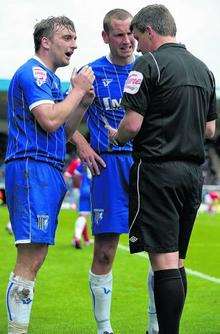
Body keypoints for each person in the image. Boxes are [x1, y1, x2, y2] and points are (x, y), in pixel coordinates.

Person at [109, 4, 217, 333]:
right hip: (192, 176)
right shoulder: (204, 70)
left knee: (164, 263)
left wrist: (117, 137)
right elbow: (211, 131)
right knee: (178, 261)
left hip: (157, 171)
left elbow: (132, 123)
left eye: (138, 36)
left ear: (150, 32)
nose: (136, 43)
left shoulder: (148, 64)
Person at [5, 16, 94, 334]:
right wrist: (78, 89)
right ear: (46, 41)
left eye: (75, 38)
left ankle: (19, 327)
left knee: (36, 256)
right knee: (29, 258)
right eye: (67, 37)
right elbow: (50, 120)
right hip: (32, 167)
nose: (74, 44)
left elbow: (65, 130)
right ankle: (17, 330)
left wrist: (81, 104)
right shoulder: (33, 72)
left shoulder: (52, 82)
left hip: (48, 167)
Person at [71, 9, 158, 334]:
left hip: (145, 167)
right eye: (119, 34)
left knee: (159, 250)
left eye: (131, 33)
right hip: (107, 167)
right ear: (106, 36)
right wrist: (81, 143)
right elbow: (62, 112)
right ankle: (104, 328)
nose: (127, 41)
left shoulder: (149, 68)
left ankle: (154, 326)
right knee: (105, 251)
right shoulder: (90, 73)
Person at [71, 162, 92, 249]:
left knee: (82, 216)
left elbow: (75, 176)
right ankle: (78, 238)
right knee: (84, 216)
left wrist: (78, 189)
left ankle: (79, 238)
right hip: (93, 190)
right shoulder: (101, 160)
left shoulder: (84, 163)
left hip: (83, 189)